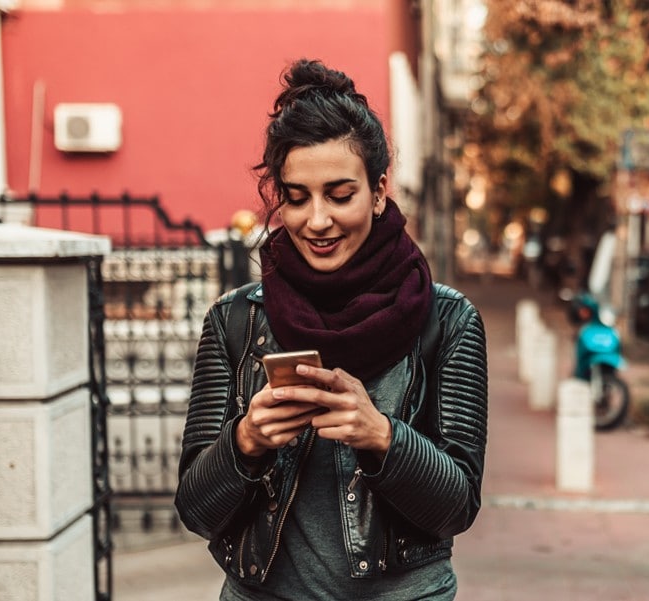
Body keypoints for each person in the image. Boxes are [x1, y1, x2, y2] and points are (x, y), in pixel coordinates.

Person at [174, 58, 489, 600]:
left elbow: (456, 506)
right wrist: (245, 442)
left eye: (339, 195)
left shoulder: (448, 321)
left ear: (379, 189)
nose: (316, 220)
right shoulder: (235, 321)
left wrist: (382, 437)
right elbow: (196, 510)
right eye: (296, 198)